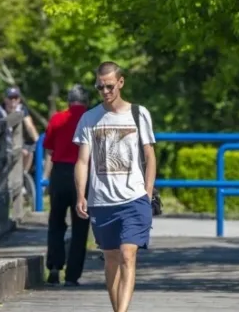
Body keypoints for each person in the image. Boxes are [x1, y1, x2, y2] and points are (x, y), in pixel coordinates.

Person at [75, 62, 156, 312]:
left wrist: (147, 193)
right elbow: (82, 160)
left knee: (128, 255)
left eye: (109, 86)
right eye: (100, 87)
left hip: (134, 199)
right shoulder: (89, 118)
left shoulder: (139, 114)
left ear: (120, 83)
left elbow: (150, 156)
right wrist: (80, 195)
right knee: (111, 260)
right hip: (101, 201)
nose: (105, 91)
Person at [43, 85, 91, 287]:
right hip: (83, 174)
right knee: (80, 226)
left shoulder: (57, 119)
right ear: (86, 101)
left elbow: (49, 148)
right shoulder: (92, 119)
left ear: (69, 101)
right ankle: (72, 275)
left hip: (60, 173)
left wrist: (46, 177)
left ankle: (54, 267)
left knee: (56, 221)